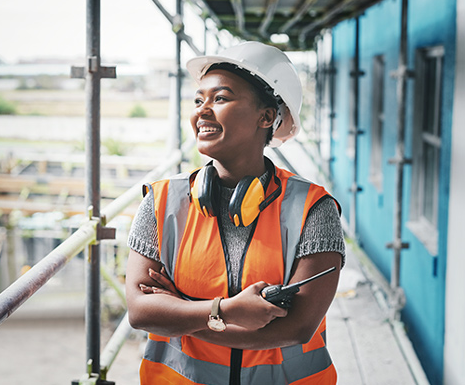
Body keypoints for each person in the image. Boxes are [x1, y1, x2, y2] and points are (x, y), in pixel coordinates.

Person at [125, 41, 345, 385]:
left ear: (266, 116)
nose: (203, 110)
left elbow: (298, 328)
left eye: (221, 98)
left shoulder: (314, 210)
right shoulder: (161, 202)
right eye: (199, 100)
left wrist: (181, 311)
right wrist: (226, 311)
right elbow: (140, 312)